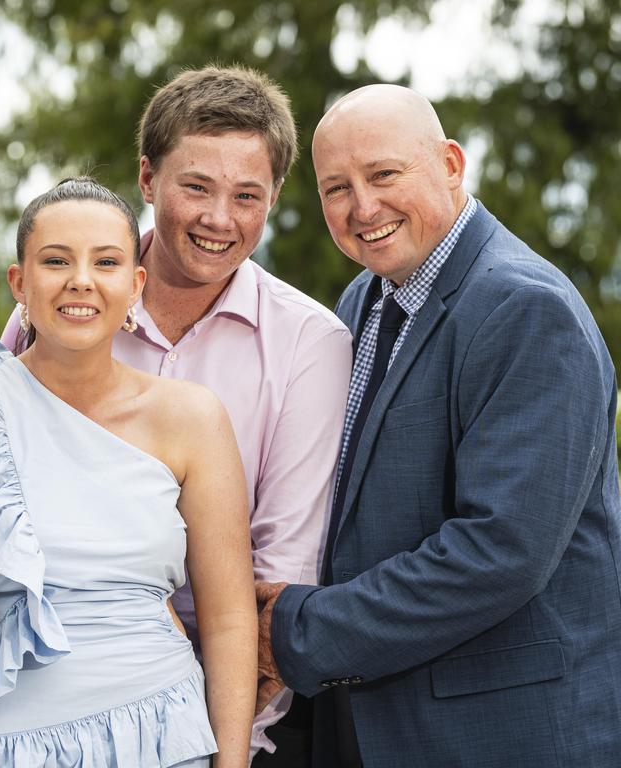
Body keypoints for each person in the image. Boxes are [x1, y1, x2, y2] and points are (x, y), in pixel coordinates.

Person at [256, 84, 621, 767]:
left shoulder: (525, 308)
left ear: (451, 164)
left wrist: (300, 632)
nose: (363, 207)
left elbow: (499, 552)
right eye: (337, 187)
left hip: (503, 736)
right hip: (375, 726)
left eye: (384, 174)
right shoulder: (365, 298)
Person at [0, 66, 352, 765]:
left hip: (225, 720)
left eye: (247, 196)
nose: (220, 219)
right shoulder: (62, 308)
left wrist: (210, 745)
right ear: (147, 179)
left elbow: (277, 587)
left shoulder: (310, 345)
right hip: (41, 697)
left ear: (275, 198)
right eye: (195, 187)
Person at [0, 177, 257, 767]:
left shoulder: (193, 418)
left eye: (106, 262)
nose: (81, 280)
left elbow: (229, 619)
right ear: (20, 283)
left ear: (134, 286)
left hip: (163, 737)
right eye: (56, 260)